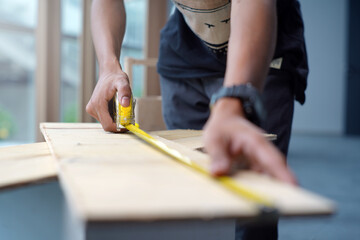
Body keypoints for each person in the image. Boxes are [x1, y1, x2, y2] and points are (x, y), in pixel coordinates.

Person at [86, 0, 308, 239]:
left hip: (265, 53)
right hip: (184, 60)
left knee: (252, 206)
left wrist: (236, 98)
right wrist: (108, 66)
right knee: (191, 198)